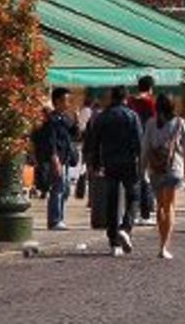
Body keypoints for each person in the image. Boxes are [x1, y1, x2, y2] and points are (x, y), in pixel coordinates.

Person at [83, 86, 145, 256]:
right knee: (134, 196)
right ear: (126, 99)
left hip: (109, 162)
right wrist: (142, 164)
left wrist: (95, 164)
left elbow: (94, 142)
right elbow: (139, 142)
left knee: (112, 200)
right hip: (129, 162)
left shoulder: (103, 117)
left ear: (112, 98)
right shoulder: (132, 116)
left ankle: (113, 242)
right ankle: (126, 226)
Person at [141, 93, 185, 259]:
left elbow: (145, 147)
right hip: (173, 169)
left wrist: (142, 169)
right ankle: (164, 246)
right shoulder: (179, 123)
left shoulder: (151, 123)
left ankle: (161, 241)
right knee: (170, 206)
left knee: (160, 206)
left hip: (155, 169)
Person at [33, 88, 80, 234]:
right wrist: (55, 161)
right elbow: (50, 142)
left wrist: (77, 120)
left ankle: (58, 217)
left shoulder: (64, 118)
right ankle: (55, 220)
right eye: (66, 100)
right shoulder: (51, 120)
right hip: (57, 159)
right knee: (58, 189)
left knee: (64, 189)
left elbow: (74, 134)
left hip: (65, 158)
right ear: (57, 102)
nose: (68, 104)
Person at [127, 77, 159, 224]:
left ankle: (134, 211)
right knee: (145, 177)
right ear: (151, 87)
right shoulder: (150, 102)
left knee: (135, 178)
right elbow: (156, 122)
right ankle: (145, 214)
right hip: (146, 142)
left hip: (131, 142)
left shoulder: (130, 101)